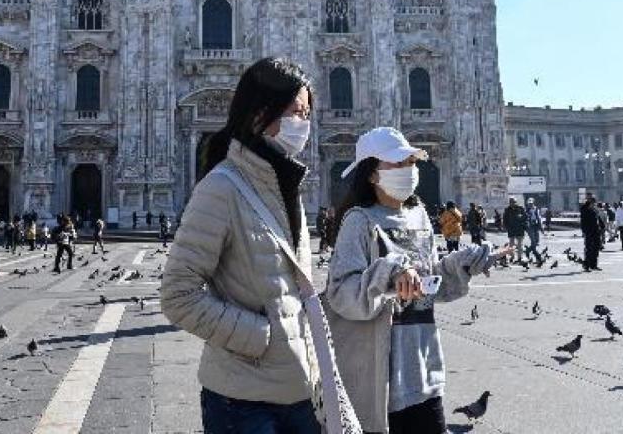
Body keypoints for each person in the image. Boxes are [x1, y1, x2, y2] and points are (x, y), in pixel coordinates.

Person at [160, 57, 324, 433]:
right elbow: (177, 295)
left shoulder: (285, 188)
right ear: (259, 114)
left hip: (298, 391)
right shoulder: (220, 188)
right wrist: (260, 336)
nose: (304, 124)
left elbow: (287, 292)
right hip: (242, 403)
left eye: (307, 113)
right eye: (296, 112)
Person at [324, 127, 510, 433]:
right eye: (398, 164)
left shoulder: (420, 216)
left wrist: (465, 263)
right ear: (372, 174)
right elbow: (341, 293)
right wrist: (390, 272)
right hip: (381, 376)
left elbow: (429, 283)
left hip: (424, 369)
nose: (409, 170)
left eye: (411, 162)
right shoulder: (359, 221)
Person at [580, 195, 604, 272]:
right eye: (593, 203)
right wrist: (584, 231)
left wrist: (602, 225)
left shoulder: (594, 209)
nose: (594, 204)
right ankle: (586, 265)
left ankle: (594, 265)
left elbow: (598, 218)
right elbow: (583, 222)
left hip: (596, 231)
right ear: (589, 202)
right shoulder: (585, 210)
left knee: (596, 247)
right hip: (588, 231)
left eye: (594, 203)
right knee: (589, 248)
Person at [502, 197, 528, 262]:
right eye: (511, 202)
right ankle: (512, 257)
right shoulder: (507, 210)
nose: (512, 203)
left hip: (520, 229)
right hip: (511, 229)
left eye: (514, 202)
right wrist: (506, 226)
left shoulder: (521, 208)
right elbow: (505, 219)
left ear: (516, 202)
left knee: (520, 245)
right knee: (511, 245)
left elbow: (525, 218)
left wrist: (524, 225)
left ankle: (520, 257)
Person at [525, 197, 544, 266]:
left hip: (536, 226)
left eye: (531, 203)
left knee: (536, 242)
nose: (530, 205)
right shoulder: (526, 210)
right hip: (530, 228)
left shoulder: (536, 209)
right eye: (529, 204)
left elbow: (539, 218)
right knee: (533, 242)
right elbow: (525, 219)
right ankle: (538, 257)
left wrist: (541, 227)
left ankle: (527, 251)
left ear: (533, 203)